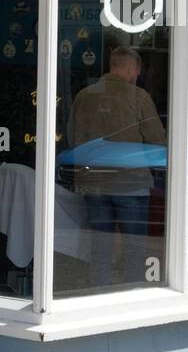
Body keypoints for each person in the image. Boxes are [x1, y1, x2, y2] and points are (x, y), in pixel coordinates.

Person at [68, 46, 167, 288]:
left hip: (93, 184)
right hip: (130, 184)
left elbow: (72, 138)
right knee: (134, 249)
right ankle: (130, 298)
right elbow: (158, 142)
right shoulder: (139, 97)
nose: (137, 75)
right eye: (137, 70)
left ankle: (98, 295)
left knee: (100, 248)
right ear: (132, 68)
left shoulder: (84, 96)